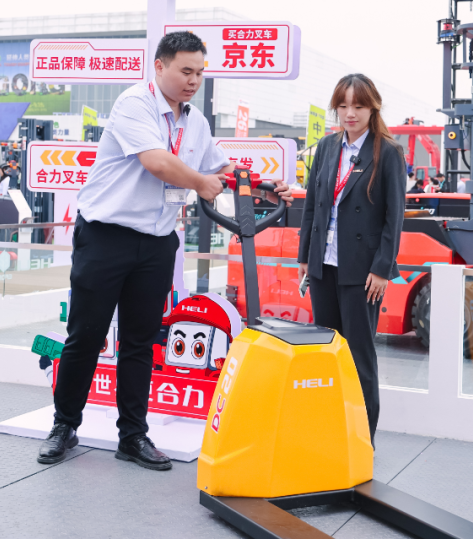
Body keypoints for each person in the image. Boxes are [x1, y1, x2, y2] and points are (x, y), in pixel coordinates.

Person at [38, 31, 292, 470]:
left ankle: (133, 435)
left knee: (141, 342)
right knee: (86, 336)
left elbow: (220, 167)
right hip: (105, 237)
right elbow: (157, 161)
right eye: (185, 71)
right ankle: (64, 425)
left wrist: (263, 187)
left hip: (157, 243)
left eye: (199, 73)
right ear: (159, 66)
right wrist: (200, 182)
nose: (193, 81)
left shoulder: (196, 122)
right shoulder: (134, 104)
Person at [297, 74, 405, 445]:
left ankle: (361, 441)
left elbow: (394, 216)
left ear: (372, 107)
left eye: (358, 105)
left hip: (362, 271)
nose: (349, 113)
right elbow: (312, 205)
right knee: (325, 355)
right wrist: (305, 257)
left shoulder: (387, 152)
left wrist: (382, 269)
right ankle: (329, 436)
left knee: (359, 356)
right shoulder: (327, 147)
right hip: (323, 265)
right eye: (342, 106)